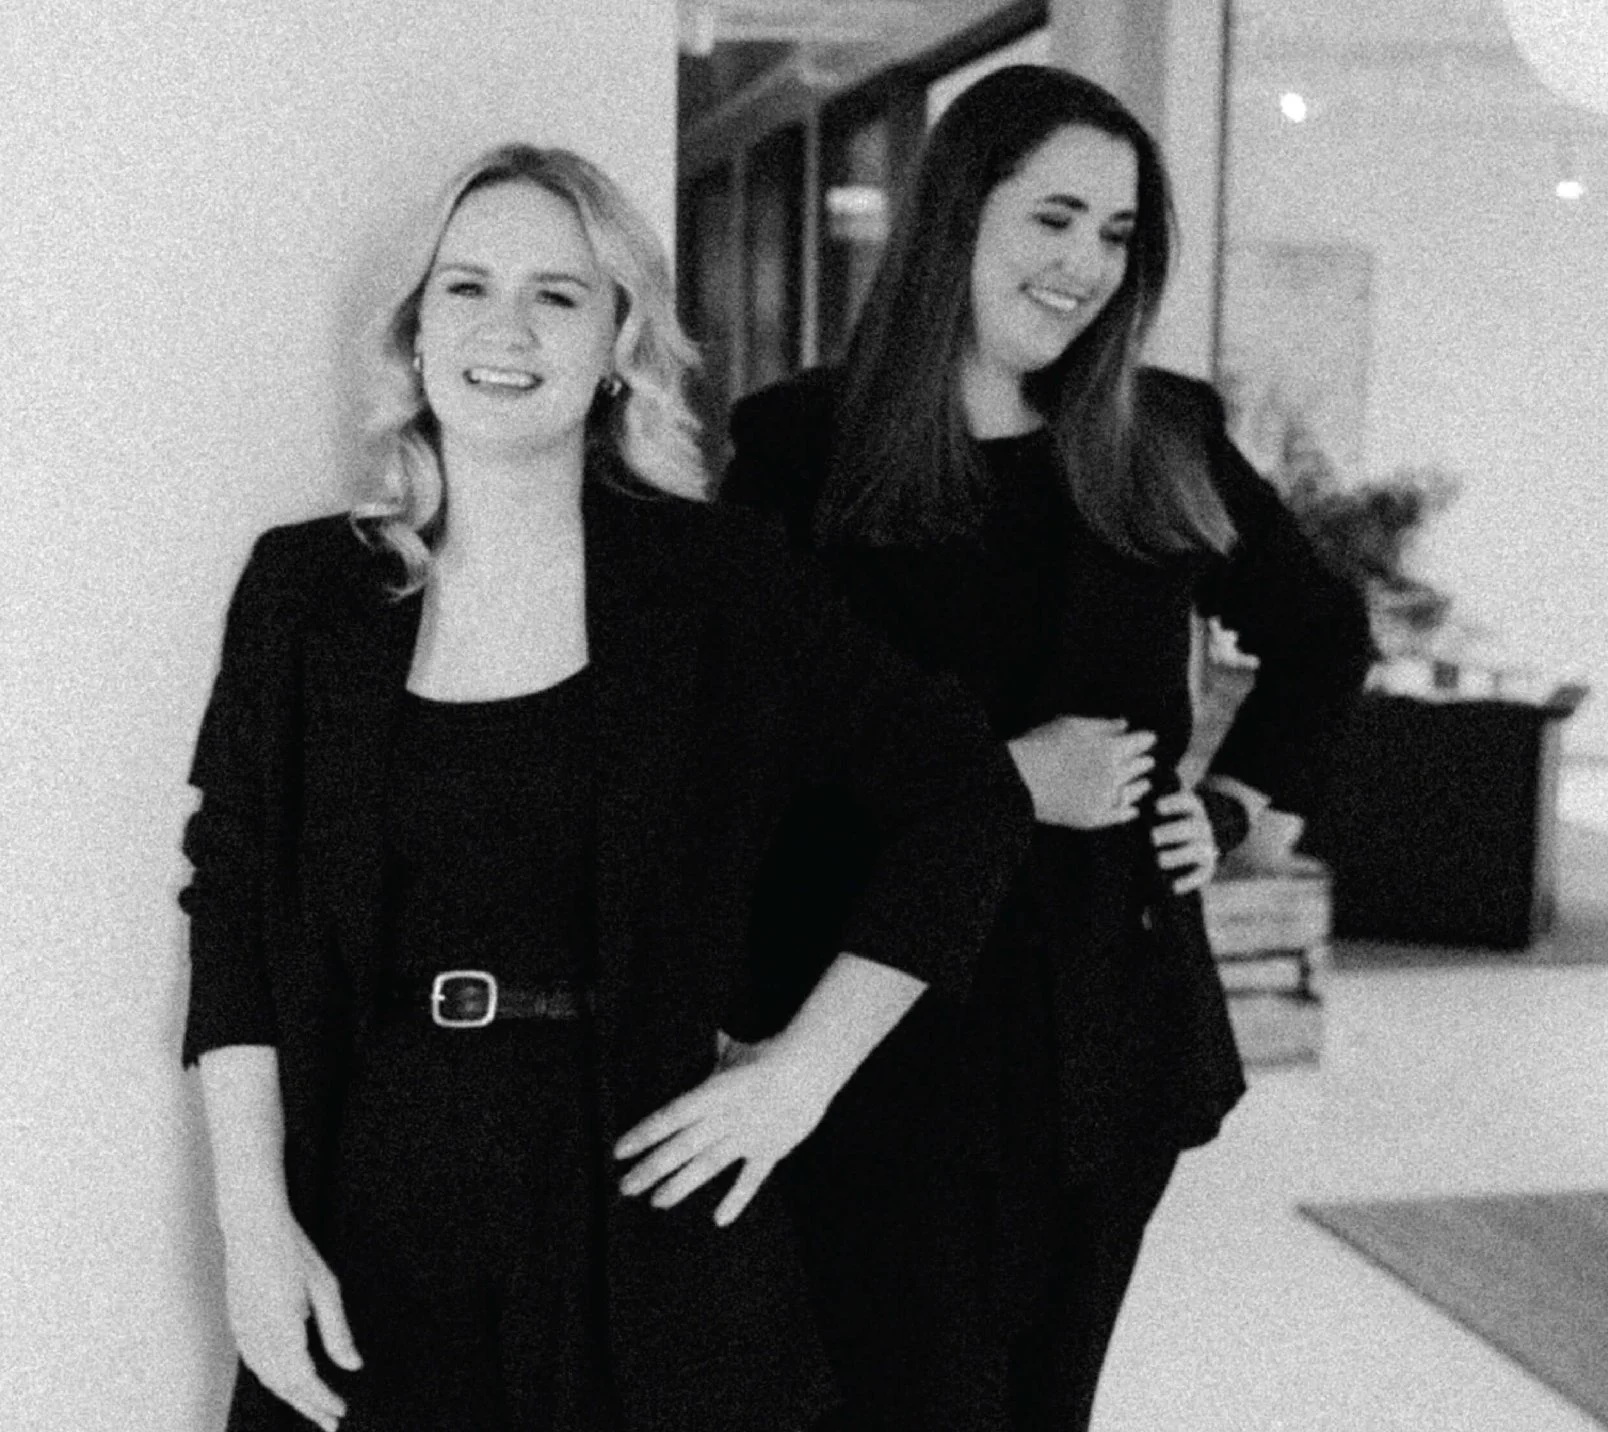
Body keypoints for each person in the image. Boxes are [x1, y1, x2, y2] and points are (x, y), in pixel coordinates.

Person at [179, 143, 1031, 1432]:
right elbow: (232, 899)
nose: (503, 328)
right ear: (414, 333)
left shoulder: (719, 585)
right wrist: (252, 1227)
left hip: (649, 1185)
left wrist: (801, 1075)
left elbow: (966, 797)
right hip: (382, 1185)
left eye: (558, 296)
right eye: (464, 289)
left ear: (618, 339)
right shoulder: (307, 593)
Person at [722, 67, 1377, 1432]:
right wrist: (1008, 778)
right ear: (960, 213)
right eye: (1055, 218)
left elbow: (1320, 635)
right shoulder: (802, 447)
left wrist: (1241, 806)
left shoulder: (1164, 436)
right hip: (887, 1036)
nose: (1087, 263)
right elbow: (749, 749)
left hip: (1112, 1040)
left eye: (1120, 233)